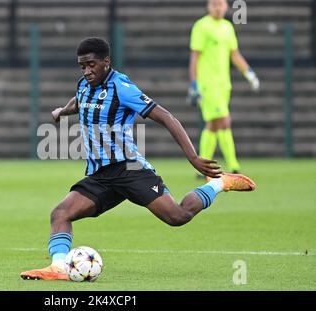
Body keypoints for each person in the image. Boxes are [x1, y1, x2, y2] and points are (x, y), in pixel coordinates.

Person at [20, 37, 256, 281]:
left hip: (130, 170)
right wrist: (62, 111)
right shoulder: (84, 84)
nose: (87, 71)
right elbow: (80, 101)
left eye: (91, 65)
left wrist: (193, 157)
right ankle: (59, 268)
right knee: (60, 213)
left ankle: (218, 183)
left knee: (177, 216)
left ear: (106, 62)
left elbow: (166, 117)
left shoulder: (122, 87)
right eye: (82, 66)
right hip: (101, 176)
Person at [188, 0, 260, 174]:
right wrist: (194, 83)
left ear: (226, 6)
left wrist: (249, 73)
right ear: (208, 6)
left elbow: (234, 54)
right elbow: (195, 57)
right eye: (214, 4)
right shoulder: (201, 26)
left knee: (212, 124)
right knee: (225, 120)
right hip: (208, 84)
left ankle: (203, 166)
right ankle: (234, 165)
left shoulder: (228, 27)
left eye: (220, 4)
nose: (217, 7)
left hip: (223, 84)